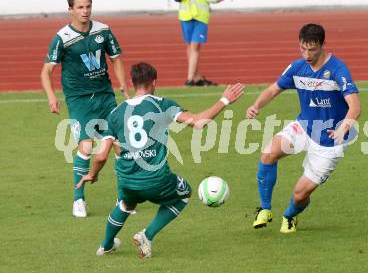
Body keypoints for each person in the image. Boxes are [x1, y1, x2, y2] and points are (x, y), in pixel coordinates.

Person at [77, 62, 244, 258]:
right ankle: (147, 235)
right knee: (184, 193)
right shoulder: (163, 104)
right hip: (157, 180)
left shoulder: (116, 113)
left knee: (125, 204)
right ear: (154, 82)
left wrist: (91, 174)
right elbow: (199, 122)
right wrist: (224, 100)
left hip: (127, 181)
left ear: (132, 82)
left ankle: (105, 247)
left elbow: (101, 155)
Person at [247, 23, 361, 233]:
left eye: (312, 49)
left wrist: (342, 128)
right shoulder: (297, 67)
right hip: (304, 126)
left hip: (330, 139)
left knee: (300, 194)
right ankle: (264, 209)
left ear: (323, 45)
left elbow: (355, 106)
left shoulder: (337, 69)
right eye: (302, 48)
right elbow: (273, 89)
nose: (307, 54)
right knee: (268, 153)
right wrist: (256, 106)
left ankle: (290, 216)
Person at [40, 0, 129, 218]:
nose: (85, 11)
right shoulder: (63, 38)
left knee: (120, 145)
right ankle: (78, 200)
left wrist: (123, 85)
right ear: (70, 10)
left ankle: (124, 198)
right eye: (80, 7)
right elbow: (46, 71)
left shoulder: (104, 30)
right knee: (87, 147)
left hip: (105, 95)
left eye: (88, 6)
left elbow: (116, 59)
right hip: (79, 100)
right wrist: (52, 96)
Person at [172, 0, 231, 86]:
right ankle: (195, 79)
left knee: (195, 46)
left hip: (200, 16)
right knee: (190, 47)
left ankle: (190, 79)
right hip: (185, 15)